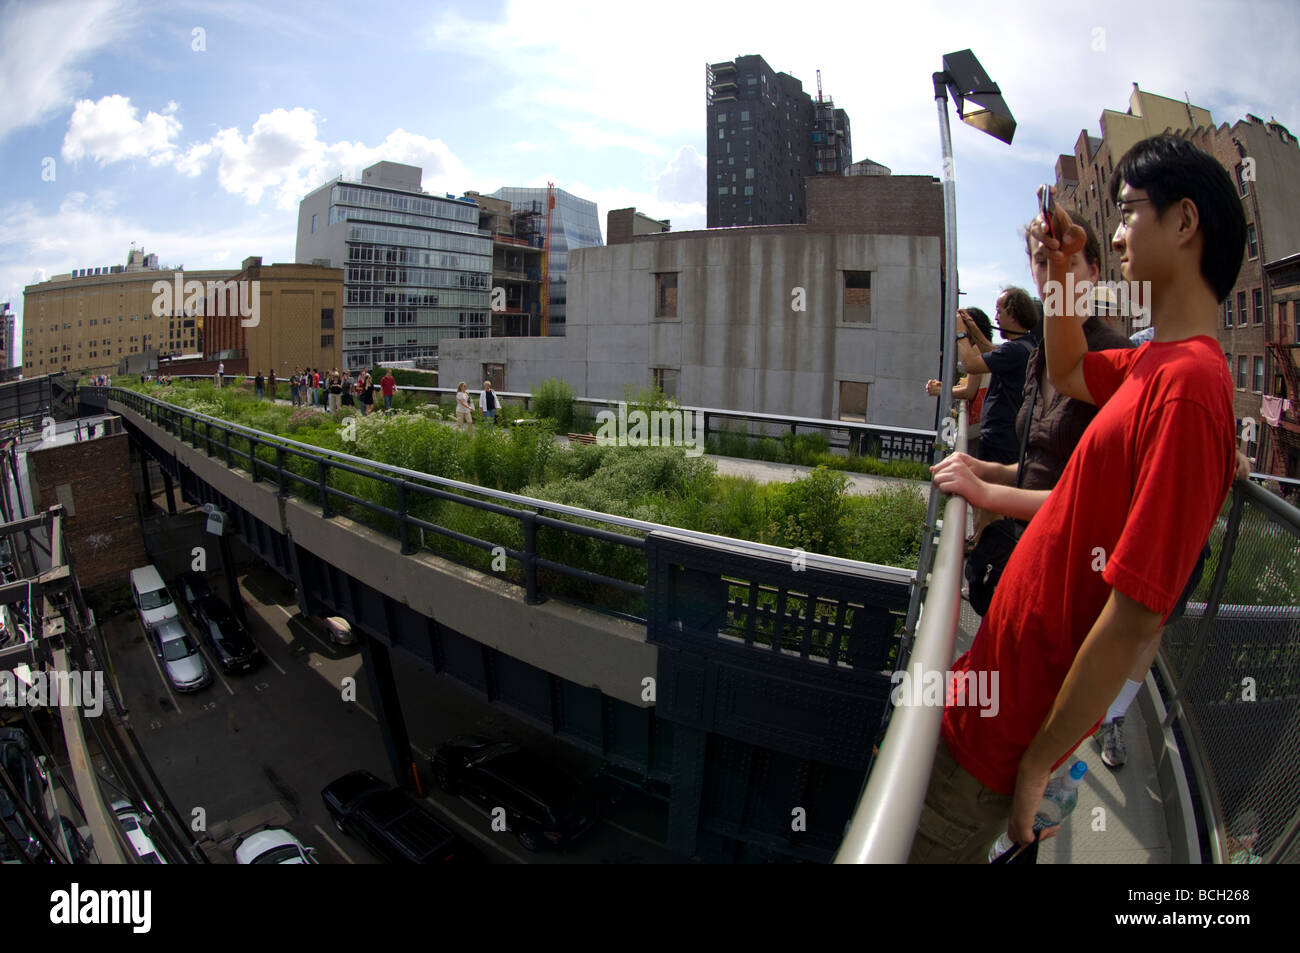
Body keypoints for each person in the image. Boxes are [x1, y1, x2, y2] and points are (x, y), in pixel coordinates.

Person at [909, 135, 1244, 863]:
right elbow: (1064, 369)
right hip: (995, 699)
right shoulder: (1159, 362)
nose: (1116, 234)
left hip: (1006, 737)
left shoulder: (1190, 389)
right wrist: (1060, 273)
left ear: (1185, 223)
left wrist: (1038, 761)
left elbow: (1136, 614)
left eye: (1128, 213)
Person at [927, 306, 993, 435]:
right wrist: (944, 387)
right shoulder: (984, 349)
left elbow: (969, 392)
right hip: (980, 425)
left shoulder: (976, 350)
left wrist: (941, 391)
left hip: (977, 428)